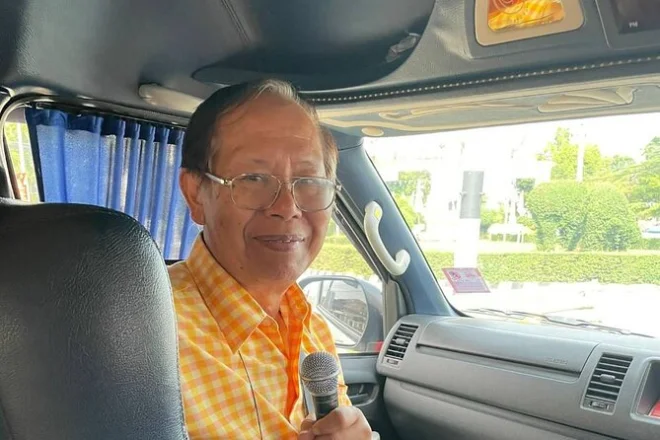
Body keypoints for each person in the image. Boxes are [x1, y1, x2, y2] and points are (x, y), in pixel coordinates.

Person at [169, 79, 373, 440]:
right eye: (254, 179)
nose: (287, 207)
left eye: (309, 180)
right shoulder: (145, 334)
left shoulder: (312, 329)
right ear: (196, 194)